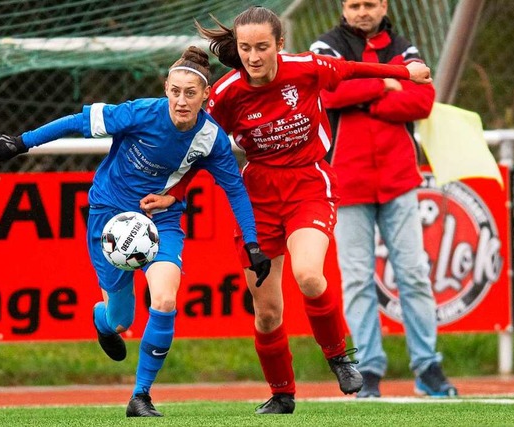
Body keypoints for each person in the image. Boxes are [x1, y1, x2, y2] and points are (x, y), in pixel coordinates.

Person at [140, 6, 432, 414]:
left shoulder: (305, 68)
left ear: (279, 44)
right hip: (257, 196)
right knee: (267, 311)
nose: (254, 57)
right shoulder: (225, 94)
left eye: (262, 47)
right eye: (245, 49)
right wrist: (177, 192)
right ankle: (281, 393)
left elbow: (348, 70)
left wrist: (406, 73)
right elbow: (203, 148)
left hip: (309, 183)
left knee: (309, 274)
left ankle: (339, 358)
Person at [0, 46, 271, 418]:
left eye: (191, 93)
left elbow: (234, 190)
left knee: (164, 300)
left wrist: (252, 242)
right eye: (176, 91)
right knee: (121, 320)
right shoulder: (138, 113)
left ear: (206, 95)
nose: (182, 101)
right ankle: (103, 321)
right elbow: (76, 122)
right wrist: (21, 143)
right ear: (166, 88)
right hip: (110, 218)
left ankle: (140, 396)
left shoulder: (210, 138)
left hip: (159, 221)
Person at [310, 0, 457, 397]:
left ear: (383, 5)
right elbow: (324, 93)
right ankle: (368, 373)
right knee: (357, 280)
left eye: (369, 4)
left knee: (413, 276)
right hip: (347, 181)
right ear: (343, 6)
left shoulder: (405, 48)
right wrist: (385, 84)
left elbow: (422, 101)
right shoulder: (325, 48)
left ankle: (428, 368)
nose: (362, 11)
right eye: (355, 4)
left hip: (399, 180)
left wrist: (360, 94)